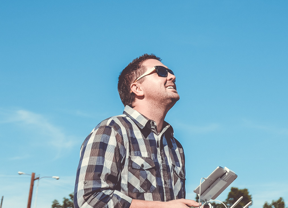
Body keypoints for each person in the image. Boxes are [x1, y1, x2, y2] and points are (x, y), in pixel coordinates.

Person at [74, 53, 200, 208]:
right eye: (161, 72)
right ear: (137, 88)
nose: (172, 77)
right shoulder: (112, 130)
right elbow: (89, 200)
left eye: (171, 72)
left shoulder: (175, 146)